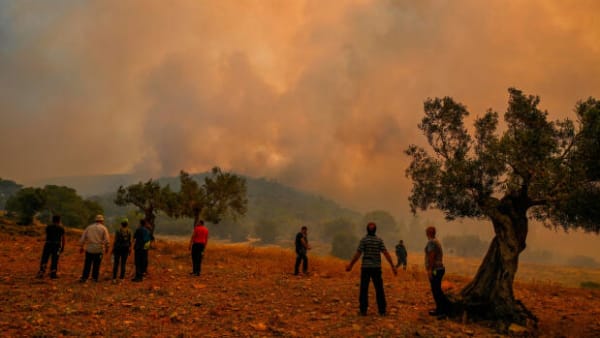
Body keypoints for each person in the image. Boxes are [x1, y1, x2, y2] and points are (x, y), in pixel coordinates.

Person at [346, 222, 397, 316]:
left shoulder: (364, 240)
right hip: (376, 268)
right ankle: (382, 310)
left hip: (365, 268)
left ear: (367, 230)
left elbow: (358, 254)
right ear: (375, 230)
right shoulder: (379, 240)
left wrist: (350, 265)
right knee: (379, 289)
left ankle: (363, 310)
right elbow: (386, 253)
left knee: (364, 289)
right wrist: (392, 266)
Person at [425, 226, 450, 318]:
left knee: (436, 290)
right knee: (437, 289)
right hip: (440, 268)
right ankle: (441, 309)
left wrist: (430, 270)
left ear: (428, 233)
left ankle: (441, 311)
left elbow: (432, 256)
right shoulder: (436, 241)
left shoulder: (431, 242)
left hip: (436, 269)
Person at [79, 214, 110, 283]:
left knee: (87, 264)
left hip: (89, 248)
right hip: (98, 249)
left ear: (95, 220)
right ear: (102, 221)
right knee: (96, 264)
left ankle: (84, 277)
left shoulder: (89, 227)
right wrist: (107, 247)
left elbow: (83, 238)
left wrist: (81, 247)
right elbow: (107, 240)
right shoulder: (104, 228)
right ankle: (94, 278)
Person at [36, 215, 65, 279]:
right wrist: (63, 247)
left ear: (52, 220)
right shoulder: (61, 228)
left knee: (45, 258)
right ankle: (53, 273)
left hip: (48, 244)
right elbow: (63, 239)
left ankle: (42, 272)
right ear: (59, 220)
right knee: (55, 259)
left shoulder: (48, 227)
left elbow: (46, 235)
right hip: (56, 245)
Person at [111, 217, 132, 282]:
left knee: (116, 263)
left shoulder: (118, 231)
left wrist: (113, 249)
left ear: (121, 224)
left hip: (118, 248)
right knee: (123, 263)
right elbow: (130, 241)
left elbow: (115, 240)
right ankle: (122, 278)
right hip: (125, 249)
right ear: (127, 224)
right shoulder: (129, 231)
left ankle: (114, 278)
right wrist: (130, 249)